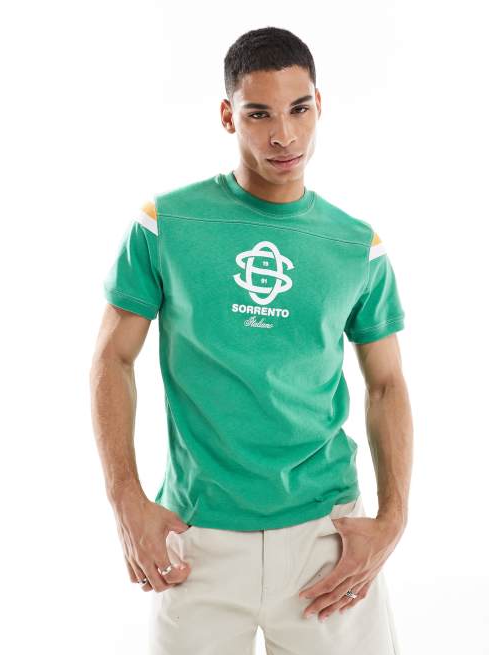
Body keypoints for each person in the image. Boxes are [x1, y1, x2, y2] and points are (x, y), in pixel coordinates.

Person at [90, 26, 413, 655]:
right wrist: (125, 498)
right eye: (258, 114)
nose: (284, 135)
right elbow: (112, 357)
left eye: (298, 109)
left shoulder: (357, 246)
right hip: (197, 538)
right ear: (227, 115)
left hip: (327, 539)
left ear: (319, 106)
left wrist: (392, 521)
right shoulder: (165, 225)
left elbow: (387, 384)